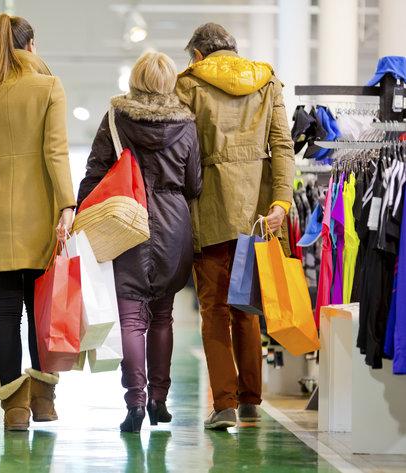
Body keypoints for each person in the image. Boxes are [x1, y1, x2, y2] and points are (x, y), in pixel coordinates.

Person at [176, 23, 295, 430]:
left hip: (209, 208)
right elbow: (282, 146)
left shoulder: (189, 85)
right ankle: (250, 402)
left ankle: (223, 403)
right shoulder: (267, 82)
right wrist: (281, 201)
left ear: (197, 55)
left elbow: (182, 151)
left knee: (214, 308)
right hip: (259, 213)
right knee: (247, 307)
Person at [78, 51, 202, 434]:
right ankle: (159, 401)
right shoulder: (187, 126)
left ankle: (134, 402)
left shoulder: (116, 119)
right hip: (173, 224)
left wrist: (80, 213)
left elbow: (95, 171)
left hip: (126, 221)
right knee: (163, 316)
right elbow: (194, 182)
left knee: (131, 319)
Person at [0, 13, 76, 431]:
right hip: (40, 217)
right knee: (39, 312)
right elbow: (56, 154)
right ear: (32, 44)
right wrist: (67, 205)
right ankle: (45, 401)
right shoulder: (49, 86)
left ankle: (15, 409)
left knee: (7, 312)